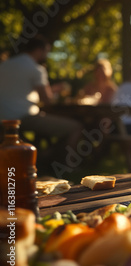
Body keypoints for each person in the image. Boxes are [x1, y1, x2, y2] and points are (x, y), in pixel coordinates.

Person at [0, 35, 83, 172]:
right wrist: (58, 91)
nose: (47, 55)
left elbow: (19, 91)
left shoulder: (5, 65)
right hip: (23, 117)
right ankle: (62, 164)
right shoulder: (36, 69)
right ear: (39, 50)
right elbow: (47, 101)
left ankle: (44, 158)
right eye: (46, 51)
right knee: (75, 127)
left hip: (2, 116)